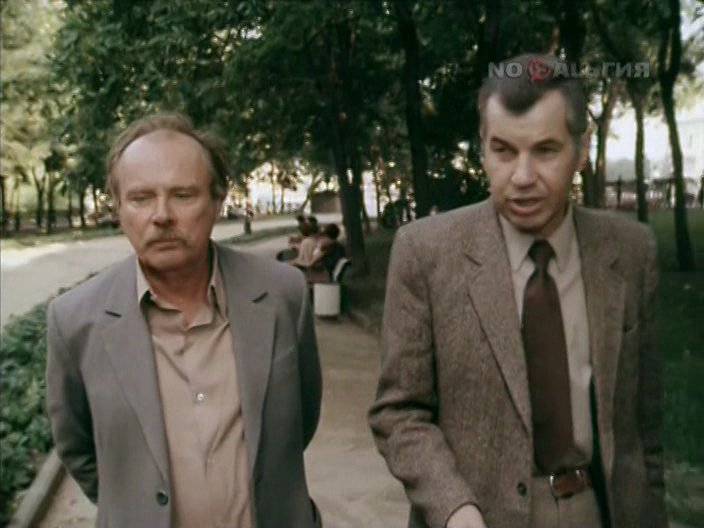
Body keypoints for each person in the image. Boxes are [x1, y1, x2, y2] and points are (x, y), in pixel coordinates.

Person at [369, 54, 666, 528]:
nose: (523, 177)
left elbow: (645, 429)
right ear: (483, 148)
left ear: (581, 149)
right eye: (504, 151)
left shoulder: (630, 252)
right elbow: (399, 412)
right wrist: (453, 508)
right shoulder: (425, 253)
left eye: (545, 150)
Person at [45, 114, 323, 528]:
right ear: (118, 208)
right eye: (141, 198)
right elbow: (78, 447)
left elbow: (298, 423)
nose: (162, 215)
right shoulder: (74, 320)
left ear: (217, 200)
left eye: (183, 195)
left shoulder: (283, 294)